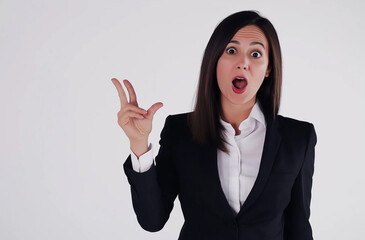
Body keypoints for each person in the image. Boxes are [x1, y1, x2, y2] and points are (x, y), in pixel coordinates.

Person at [112, 10, 317, 240]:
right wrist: (139, 144)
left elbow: (298, 228)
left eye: (256, 53)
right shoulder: (180, 131)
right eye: (231, 50)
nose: (243, 63)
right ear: (215, 60)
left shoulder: (298, 138)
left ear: (268, 68)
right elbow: (152, 220)